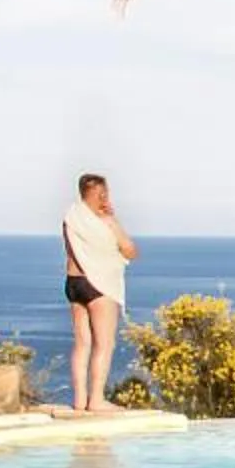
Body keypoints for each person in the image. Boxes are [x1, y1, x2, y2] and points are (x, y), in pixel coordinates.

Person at [61, 173, 139, 414]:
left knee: (82, 344)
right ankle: (96, 399)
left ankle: (79, 400)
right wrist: (113, 220)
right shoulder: (104, 221)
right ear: (101, 194)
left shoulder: (71, 217)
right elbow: (129, 251)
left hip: (74, 282)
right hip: (99, 284)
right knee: (104, 344)